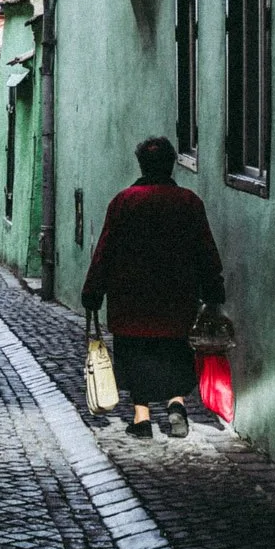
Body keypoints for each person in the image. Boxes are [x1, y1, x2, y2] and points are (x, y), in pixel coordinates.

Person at [79, 135, 226, 439]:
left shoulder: (123, 202)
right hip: (177, 299)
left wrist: (93, 291)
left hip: (131, 301)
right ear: (171, 165)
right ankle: (176, 405)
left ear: (141, 165)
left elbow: (105, 251)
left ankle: (142, 418)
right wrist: (213, 289)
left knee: (136, 355)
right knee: (175, 351)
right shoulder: (189, 202)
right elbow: (205, 251)